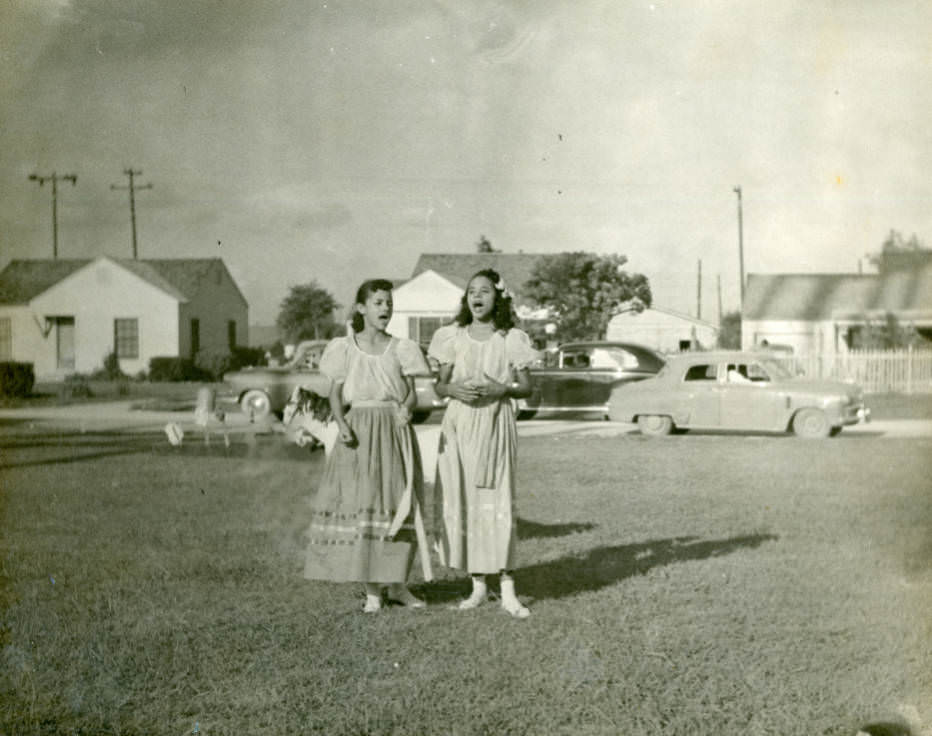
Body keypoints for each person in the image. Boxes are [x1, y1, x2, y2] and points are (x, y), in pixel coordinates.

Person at [304, 279, 432, 613]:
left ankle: (399, 585)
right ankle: (373, 589)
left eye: (388, 302)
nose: (385, 308)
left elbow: (410, 391)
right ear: (361, 308)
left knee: (396, 504)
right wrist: (342, 424)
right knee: (366, 504)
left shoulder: (402, 347)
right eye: (377, 302)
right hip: (358, 433)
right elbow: (334, 395)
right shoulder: (344, 348)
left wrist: (406, 407)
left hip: (393, 431)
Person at [428, 268, 539, 619]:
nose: (477, 297)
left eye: (485, 291)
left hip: (495, 423)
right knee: (465, 499)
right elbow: (439, 386)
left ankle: (507, 588)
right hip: (460, 425)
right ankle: (477, 585)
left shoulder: (511, 339)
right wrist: (453, 390)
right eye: (472, 291)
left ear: (498, 298)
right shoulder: (451, 337)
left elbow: (527, 387)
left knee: (497, 498)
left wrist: (501, 389)